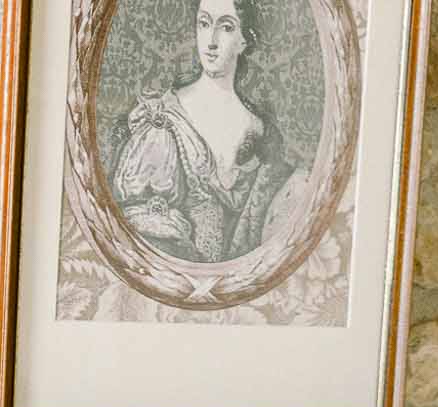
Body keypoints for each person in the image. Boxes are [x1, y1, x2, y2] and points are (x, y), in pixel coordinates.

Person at [109, 2, 301, 263]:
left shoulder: (260, 130)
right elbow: (143, 239)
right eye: (204, 23)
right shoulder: (162, 120)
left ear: (244, 40)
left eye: (225, 27)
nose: (210, 41)